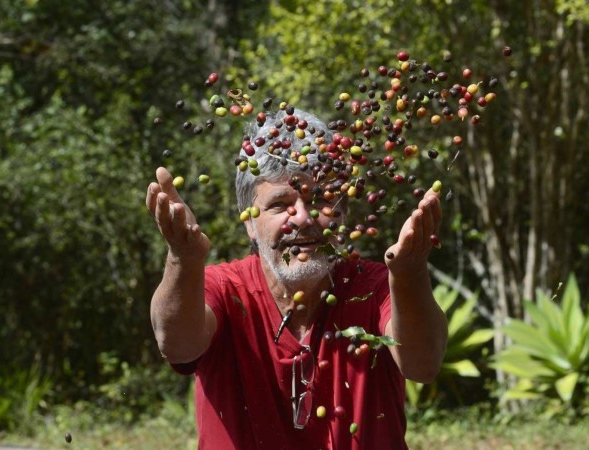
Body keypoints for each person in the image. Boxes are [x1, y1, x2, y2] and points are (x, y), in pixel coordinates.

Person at [145, 108, 447, 449]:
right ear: (249, 223)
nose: (303, 218)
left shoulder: (373, 288)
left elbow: (423, 364)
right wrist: (182, 259)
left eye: (321, 200)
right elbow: (175, 343)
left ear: (343, 214)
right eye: (281, 204)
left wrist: (409, 273)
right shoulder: (226, 289)